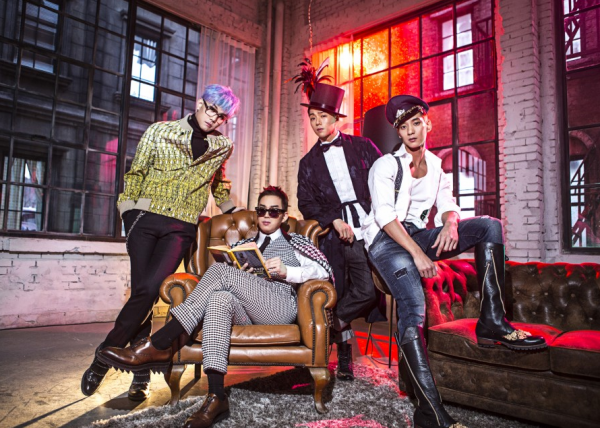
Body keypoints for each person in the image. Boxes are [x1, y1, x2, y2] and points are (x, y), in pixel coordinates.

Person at [363, 94, 547, 428]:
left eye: (415, 123)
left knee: (489, 226)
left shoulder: (436, 166)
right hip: (386, 241)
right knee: (413, 306)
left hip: (417, 235)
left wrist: (450, 222)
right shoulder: (386, 166)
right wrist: (418, 255)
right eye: (403, 127)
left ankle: (492, 321)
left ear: (427, 123)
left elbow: (448, 203)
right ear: (398, 132)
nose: (411, 131)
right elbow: (385, 217)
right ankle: (430, 413)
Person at [97, 186, 333, 428]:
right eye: (261, 210)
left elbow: (324, 271)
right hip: (248, 311)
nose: (266, 215)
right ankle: (216, 396)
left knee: (220, 272)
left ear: (283, 216)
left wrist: (288, 271)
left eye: (273, 211)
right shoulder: (246, 244)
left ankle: (160, 342)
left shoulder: (296, 242)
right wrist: (242, 274)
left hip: (280, 308)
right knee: (219, 298)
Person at [81, 84, 243, 401]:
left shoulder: (222, 145)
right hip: (144, 219)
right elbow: (136, 173)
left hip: (181, 226)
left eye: (222, 116)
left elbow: (219, 183)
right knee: (143, 294)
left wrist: (232, 213)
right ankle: (139, 372)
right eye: (212, 109)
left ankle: (104, 357)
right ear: (200, 103)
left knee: (150, 289)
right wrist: (128, 214)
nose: (215, 118)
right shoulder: (160, 131)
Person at [297, 83, 386, 381]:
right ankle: (344, 357)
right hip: (334, 237)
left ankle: (331, 325)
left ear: (336, 118)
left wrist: (380, 218)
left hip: (368, 227)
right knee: (338, 292)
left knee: (368, 290)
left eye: (323, 116)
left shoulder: (363, 146)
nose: (317, 122)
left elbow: (385, 181)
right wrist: (334, 219)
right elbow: (305, 202)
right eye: (312, 117)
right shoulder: (308, 163)